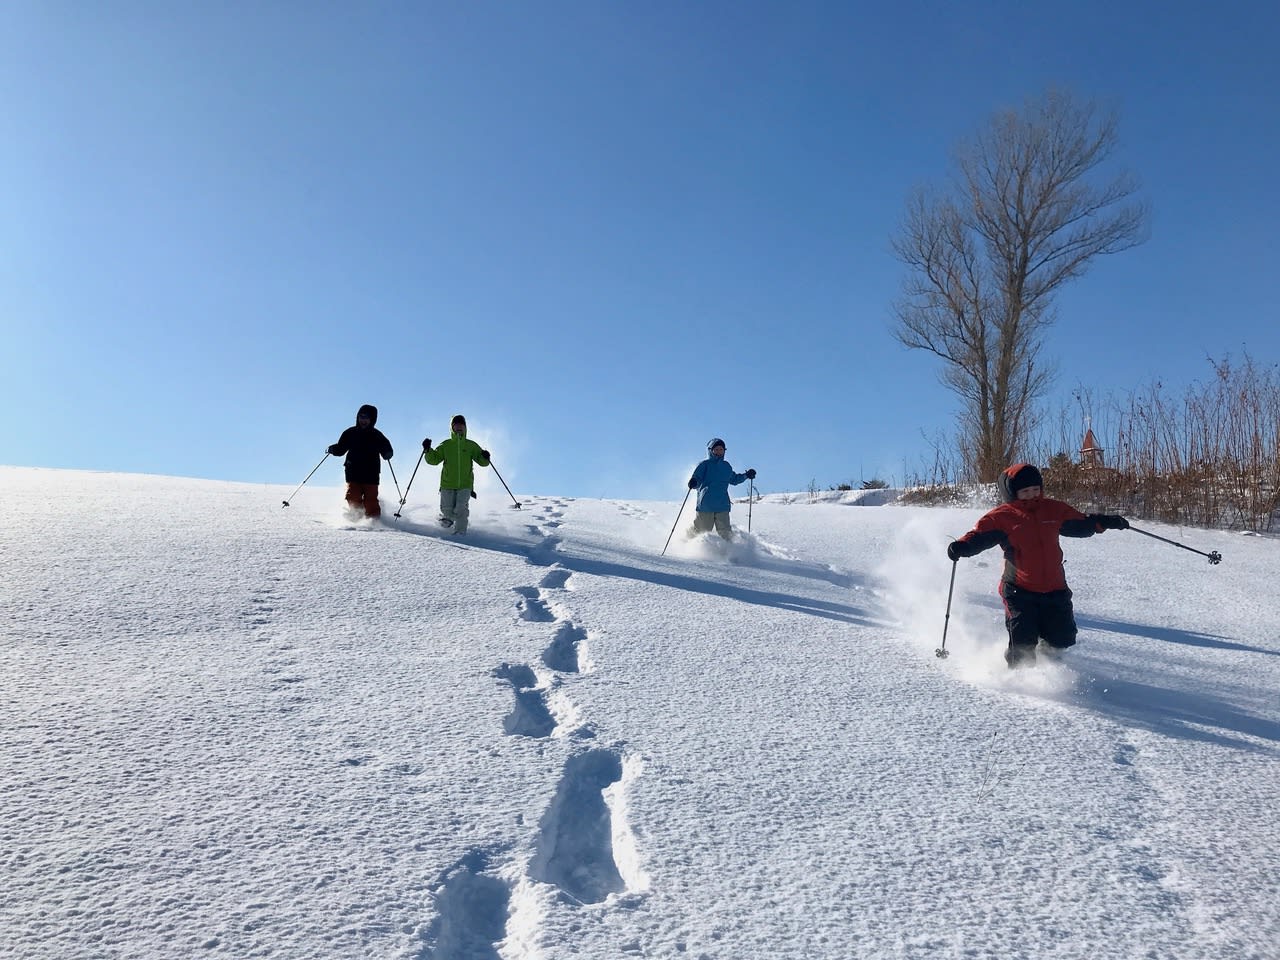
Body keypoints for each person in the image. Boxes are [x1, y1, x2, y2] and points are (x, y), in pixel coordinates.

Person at [946, 462, 1128, 668]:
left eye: (1036, 489)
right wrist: (962, 546)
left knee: (1063, 638)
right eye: (1025, 491)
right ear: (1012, 493)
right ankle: (1019, 681)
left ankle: (1047, 668)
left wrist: (1103, 522)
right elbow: (979, 536)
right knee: (1022, 641)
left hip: (1055, 588)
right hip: (1019, 591)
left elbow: (1080, 524)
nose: (1032, 495)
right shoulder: (1002, 517)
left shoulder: (1053, 509)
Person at [422, 414, 491, 535]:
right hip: (447, 484)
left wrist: (486, 457)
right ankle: (445, 522)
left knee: (461, 509)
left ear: (465, 427)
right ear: (452, 428)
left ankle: (460, 534)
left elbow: (482, 462)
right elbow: (434, 460)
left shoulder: (471, 445)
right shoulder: (446, 445)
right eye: (456, 425)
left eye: (461, 425)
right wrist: (428, 450)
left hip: (465, 484)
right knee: (447, 510)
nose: (459, 427)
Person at [327, 404, 394, 518]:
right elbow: (341, 448)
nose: (363, 420)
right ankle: (356, 516)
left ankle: (374, 520)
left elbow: (386, 448)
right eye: (361, 417)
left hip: (371, 472)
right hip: (353, 470)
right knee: (353, 495)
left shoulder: (376, 435)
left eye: (366, 418)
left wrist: (387, 453)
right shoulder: (350, 433)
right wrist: (334, 449)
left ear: (372, 419)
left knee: (370, 498)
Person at [687, 438, 756, 540]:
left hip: (722, 505)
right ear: (710, 450)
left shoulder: (726, 466)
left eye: (721, 449)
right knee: (701, 530)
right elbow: (697, 478)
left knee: (726, 533)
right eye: (716, 449)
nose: (719, 452)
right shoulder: (704, 465)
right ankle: (686, 543)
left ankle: (728, 552)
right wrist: (694, 482)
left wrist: (746, 475)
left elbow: (734, 479)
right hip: (706, 505)